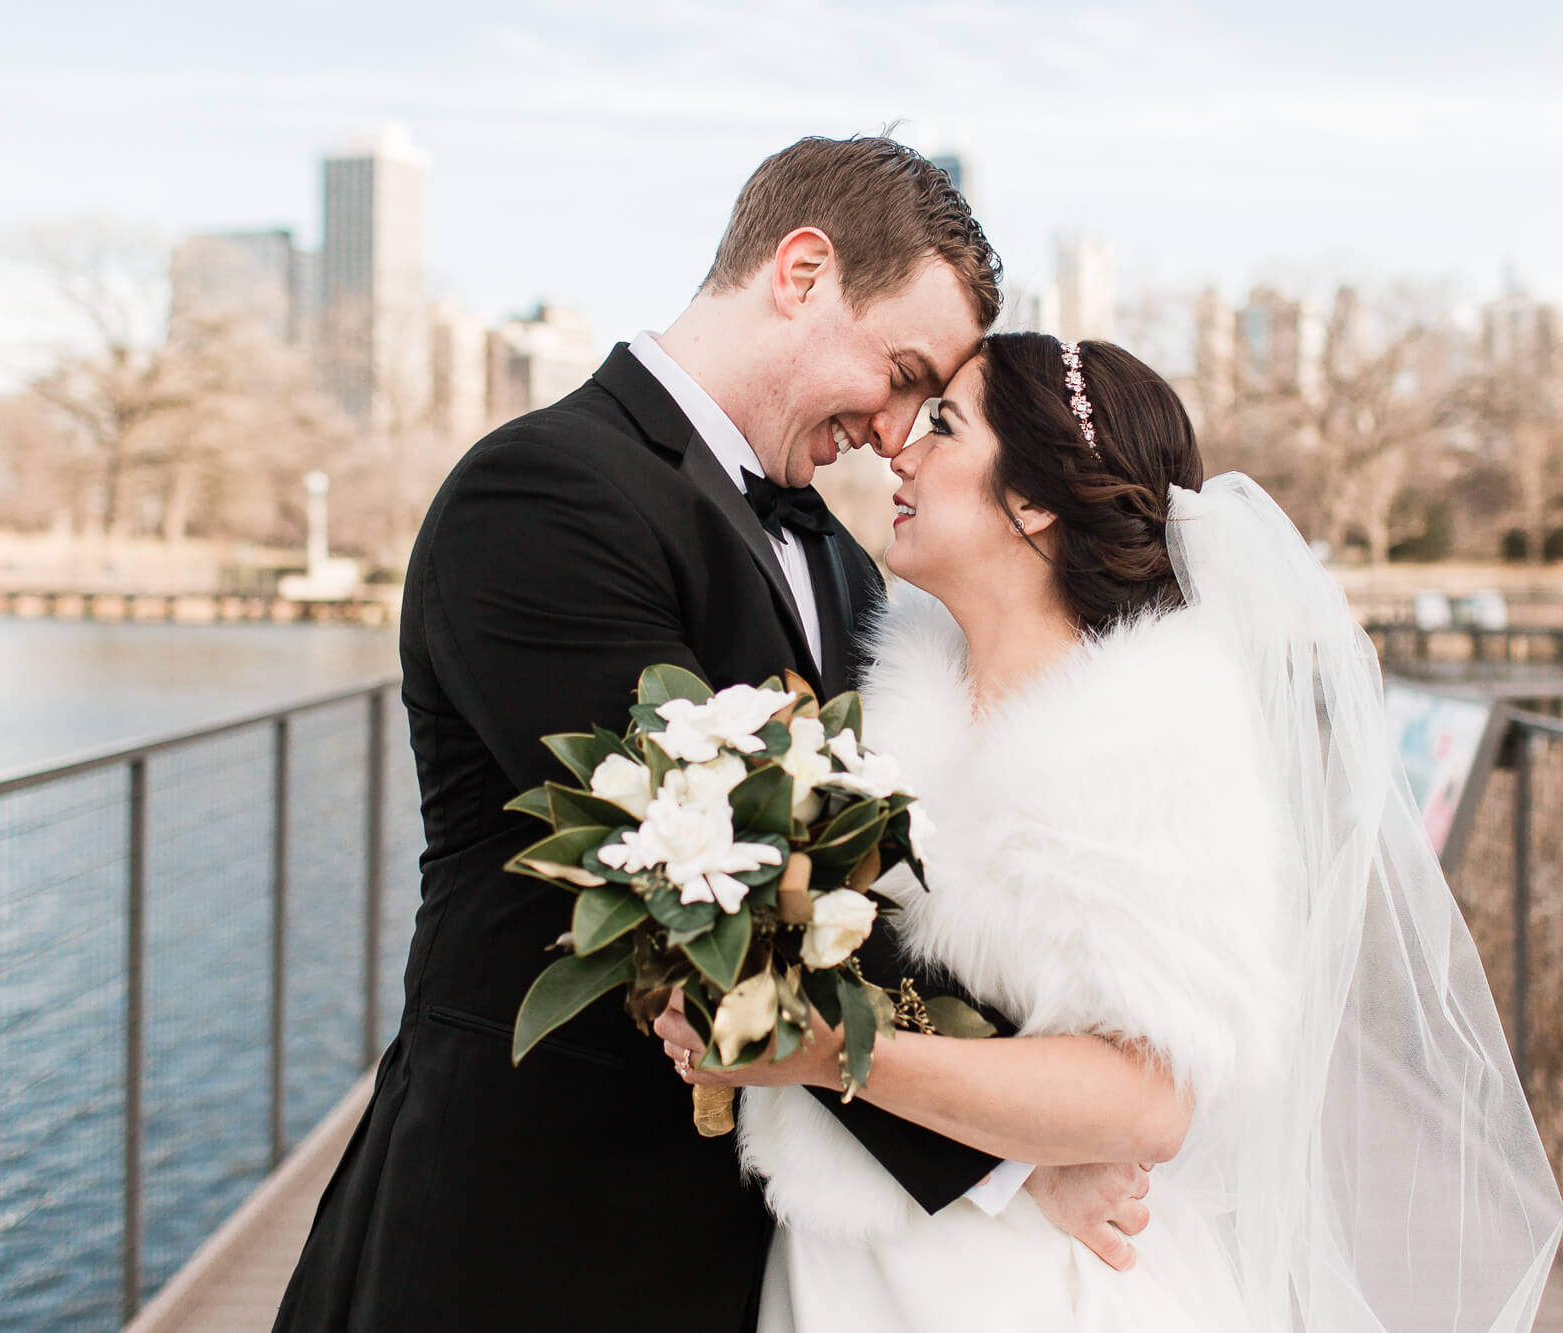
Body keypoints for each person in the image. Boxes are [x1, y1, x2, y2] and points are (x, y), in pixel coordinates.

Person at [273, 138, 1151, 1333]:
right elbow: (711, 867)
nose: (897, 435)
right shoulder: (540, 492)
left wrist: (1014, 1106)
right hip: (522, 1228)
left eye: (928, 403)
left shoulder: (844, 564)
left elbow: (853, 882)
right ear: (800, 271)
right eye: (898, 372)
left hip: (748, 1247)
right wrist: (1010, 1142)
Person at [658, 332, 1563, 1329]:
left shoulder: (1152, 744)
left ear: (1036, 500)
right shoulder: (881, 698)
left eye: (946, 425)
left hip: (1028, 1289)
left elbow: (1147, 1102)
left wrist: (823, 1049)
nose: (900, 450)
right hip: (836, 1267)